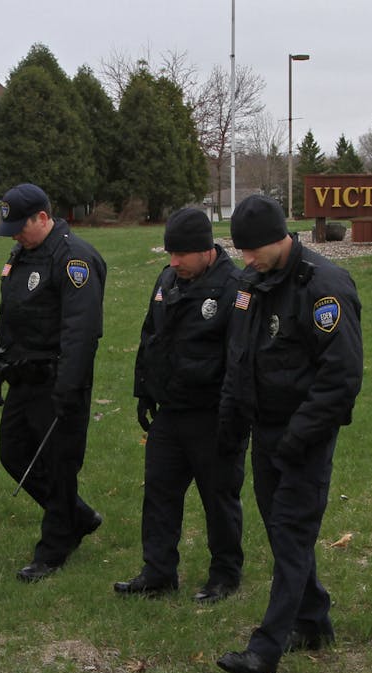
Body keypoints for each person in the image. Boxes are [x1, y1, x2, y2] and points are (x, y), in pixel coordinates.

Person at [215, 194, 363, 673]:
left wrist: (299, 438)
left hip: (305, 434)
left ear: (279, 238)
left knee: (292, 532)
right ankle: (313, 619)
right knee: (282, 533)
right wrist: (231, 427)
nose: (244, 260)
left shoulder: (323, 287)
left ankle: (265, 649)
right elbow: (240, 359)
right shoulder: (251, 283)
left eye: (251, 250)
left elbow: (340, 378)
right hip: (264, 430)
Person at [116, 208, 245, 601]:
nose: (174, 262)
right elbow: (150, 334)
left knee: (218, 495)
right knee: (159, 491)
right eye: (170, 253)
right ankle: (158, 572)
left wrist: (232, 414)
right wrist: (144, 390)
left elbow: (239, 358)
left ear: (206, 249)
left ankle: (224, 574)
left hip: (211, 414)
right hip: (170, 410)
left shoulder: (235, 288)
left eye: (182, 255)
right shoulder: (168, 279)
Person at [0, 183, 106, 582]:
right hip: (23, 375)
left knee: (58, 465)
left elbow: (81, 331)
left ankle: (53, 548)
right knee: (13, 454)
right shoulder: (22, 253)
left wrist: (68, 388)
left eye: (22, 226)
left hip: (58, 379)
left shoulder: (74, 259)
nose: (16, 235)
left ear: (44, 217)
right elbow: (10, 315)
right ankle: (78, 514)